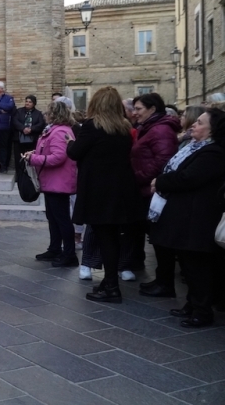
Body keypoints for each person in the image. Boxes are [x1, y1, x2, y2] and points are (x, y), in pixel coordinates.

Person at [150, 108, 225, 327]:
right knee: (188, 262)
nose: (194, 125)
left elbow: (188, 178)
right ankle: (192, 304)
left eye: (200, 122)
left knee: (197, 265)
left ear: (213, 129)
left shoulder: (214, 152)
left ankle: (202, 311)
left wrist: (161, 181)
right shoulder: (197, 148)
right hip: (186, 214)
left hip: (198, 217)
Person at [67, 87, 140, 303]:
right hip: (121, 188)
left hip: (99, 190)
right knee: (113, 237)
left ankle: (111, 285)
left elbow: (74, 152)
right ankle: (110, 281)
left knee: (104, 236)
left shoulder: (92, 126)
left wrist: (69, 142)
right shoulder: (124, 127)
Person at [131, 93, 181, 293]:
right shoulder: (149, 128)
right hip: (146, 189)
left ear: (152, 109)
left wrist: (140, 177)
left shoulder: (160, 130)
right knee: (157, 238)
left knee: (161, 239)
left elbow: (163, 161)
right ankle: (162, 279)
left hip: (154, 191)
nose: (135, 113)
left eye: (139, 109)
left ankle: (165, 282)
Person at [25, 101, 78, 267]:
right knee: (53, 218)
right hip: (52, 181)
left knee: (62, 219)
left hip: (59, 182)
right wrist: (35, 153)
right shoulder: (54, 130)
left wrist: (33, 159)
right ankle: (55, 249)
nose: (44, 115)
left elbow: (58, 157)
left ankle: (69, 254)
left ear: (54, 114)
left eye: (47, 113)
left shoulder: (60, 131)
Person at [12, 95, 46, 176]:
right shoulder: (19, 111)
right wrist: (23, 128)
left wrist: (31, 129)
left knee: (31, 157)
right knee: (19, 157)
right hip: (19, 139)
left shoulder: (38, 114)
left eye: (30, 102)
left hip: (32, 139)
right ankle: (19, 174)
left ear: (34, 104)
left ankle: (30, 174)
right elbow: (15, 121)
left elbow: (41, 124)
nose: (27, 103)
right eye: (26, 101)